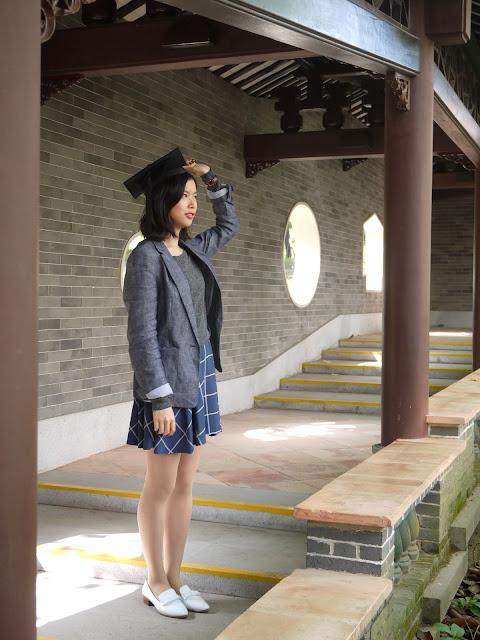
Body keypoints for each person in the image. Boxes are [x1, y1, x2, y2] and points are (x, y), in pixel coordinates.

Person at [122, 148, 239, 619]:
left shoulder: (192, 248)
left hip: (199, 371)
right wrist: (158, 398)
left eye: (194, 196)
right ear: (162, 200)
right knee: (161, 484)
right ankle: (154, 580)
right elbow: (141, 333)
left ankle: (175, 576)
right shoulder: (146, 257)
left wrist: (211, 180)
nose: (191, 204)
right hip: (166, 385)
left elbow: (228, 224)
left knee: (186, 482)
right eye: (184, 195)